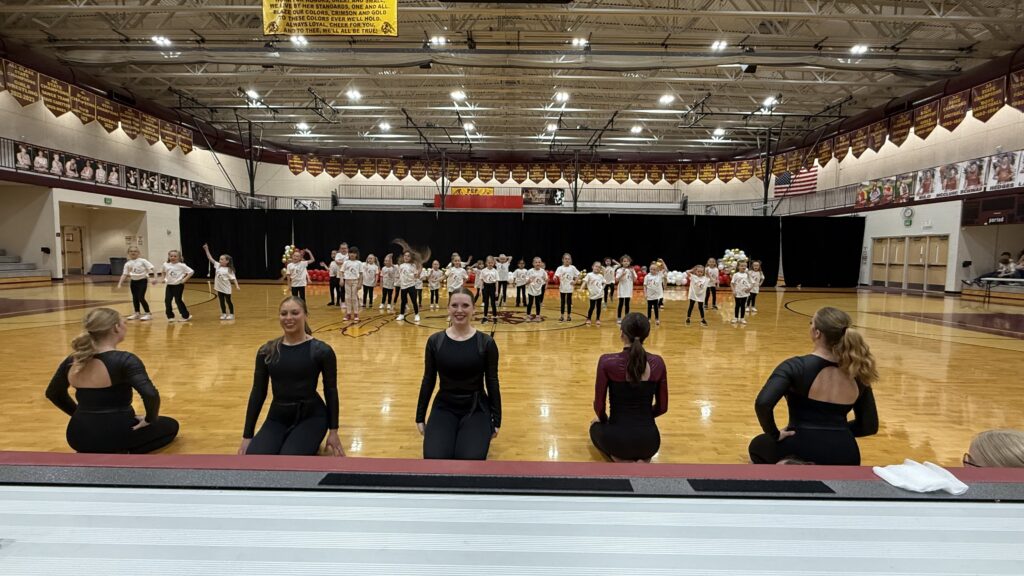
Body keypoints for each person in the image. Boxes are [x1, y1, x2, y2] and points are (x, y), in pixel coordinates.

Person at [748, 306, 879, 465]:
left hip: (800, 446)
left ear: (817, 333)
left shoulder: (795, 366)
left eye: (811, 322)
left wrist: (774, 434)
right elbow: (869, 426)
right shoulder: (858, 371)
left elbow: (763, 403)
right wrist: (836, 432)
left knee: (758, 445)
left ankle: (790, 466)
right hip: (846, 453)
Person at [45, 308, 179, 453]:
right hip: (117, 432)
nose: (126, 326)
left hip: (78, 436)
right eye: (124, 323)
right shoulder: (125, 360)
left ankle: (107, 451)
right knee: (171, 425)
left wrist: (79, 415)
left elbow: (53, 393)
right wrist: (149, 419)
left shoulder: (73, 359)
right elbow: (150, 394)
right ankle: (124, 452)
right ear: (116, 328)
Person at [240, 296, 344, 456]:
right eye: (284, 314)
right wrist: (247, 436)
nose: (288, 318)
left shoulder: (321, 351)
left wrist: (333, 431)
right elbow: (258, 392)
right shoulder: (267, 351)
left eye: (295, 313)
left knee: (289, 460)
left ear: (305, 315)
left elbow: (331, 391)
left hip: (312, 417)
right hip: (278, 417)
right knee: (256, 458)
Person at [416, 288, 501, 460]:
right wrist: (420, 416)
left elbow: (492, 381)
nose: (459, 310)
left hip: (476, 408)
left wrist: (497, 419)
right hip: (444, 406)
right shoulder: (435, 341)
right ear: (448, 308)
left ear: (473, 309)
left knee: (469, 461)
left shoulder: (486, 343)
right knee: (435, 459)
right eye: (454, 305)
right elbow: (428, 379)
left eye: (465, 305)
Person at [589, 313, 668, 462]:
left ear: (622, 334)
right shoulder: (658, 363)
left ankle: (621, 459)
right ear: (646, 335)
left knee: (594, 428)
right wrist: (642, 416)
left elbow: (599, 406)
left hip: (618, 441)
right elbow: (662, 407)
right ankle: (640, 459)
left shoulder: (607, 362)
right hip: (650, 443)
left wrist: (603, 420)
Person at [203, 243, 240, 320]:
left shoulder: (229, 270)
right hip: (219, 288)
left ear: (227, 261)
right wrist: (206, 249)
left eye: (222, 259)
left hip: (226, 288)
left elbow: (234, 278)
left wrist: (237, 286)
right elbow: (210, 258)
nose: (220, 260)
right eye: (220, 259)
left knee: (228, 301)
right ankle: (223, 313)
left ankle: (231, 314)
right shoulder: (217, 265)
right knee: (221, 301)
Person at [117, 247, 155, 321]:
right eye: (131, 251)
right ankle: (137, 313)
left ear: (138, 253)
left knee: (141, 297)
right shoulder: (128, 263)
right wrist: (120, 283)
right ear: (128, 253)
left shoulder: (143, 261)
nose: (133, 252)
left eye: (135, 251)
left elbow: (153, 268)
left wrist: (155, 278)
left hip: (142, 281)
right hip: (133, 282)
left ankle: (148, 313)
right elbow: (124, 274)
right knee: (135, 298)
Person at [157, 249, 193, 322]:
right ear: (169, 257)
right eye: (171, 256)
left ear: (179, 257)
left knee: (178, 300)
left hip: (178, 285)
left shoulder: (181, 265)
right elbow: (163, 272)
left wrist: (184, 280)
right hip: (169, 286)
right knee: (167, 301)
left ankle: (186, 316)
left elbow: (191, 272)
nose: (173, 257)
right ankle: (170, 316)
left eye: (175, 256)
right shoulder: (165, 264)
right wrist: (164, 279)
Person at [397, 250, 421, 323]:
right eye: (405, 255)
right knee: (403, 301)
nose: (406, 257)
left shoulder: (413, 265)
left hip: (411, 285)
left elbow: (416, 275)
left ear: (411, 258)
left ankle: (417, 314)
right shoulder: (401, 266)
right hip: (403, 286)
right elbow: (400, 275)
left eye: (408, 256)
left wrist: (417, 273)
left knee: (414, 301)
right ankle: (401, 314)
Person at [555, 253, 580, 322]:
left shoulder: (572, 268)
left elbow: (578, 274)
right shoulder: (560, 268)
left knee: (569, 302)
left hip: (569, 288)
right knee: (562, 302)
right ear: (563, 260)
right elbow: (556, 276)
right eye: (565, 259)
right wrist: (555, 278)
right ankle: (562, 316)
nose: (567, 260)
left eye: (568, 259)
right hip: (562, 288)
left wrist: (575, 282)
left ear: (570, 260)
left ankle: (569, 316)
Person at [342, 246, 363, 322]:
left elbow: (361, 274)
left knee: (354, 298)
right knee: (347, 297)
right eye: (350, 253)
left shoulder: (359, 263)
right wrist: (341, 279)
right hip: (347, 281)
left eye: (354, 253)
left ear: (356, 254)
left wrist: (360, 284)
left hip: (355, 281)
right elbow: (342, 272)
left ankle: (356, 313)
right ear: (348, 254)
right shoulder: (346, 262)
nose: (352, 254)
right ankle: (348, 313)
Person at [615, 254, 637, 323]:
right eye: (624, 261)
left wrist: (632, 272)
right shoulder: (619, 270)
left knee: (627, 304)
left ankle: (626, 317)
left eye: (627, 261)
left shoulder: (632, 270)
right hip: (622, 289)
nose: (626, 262)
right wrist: (622, 274)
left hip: (628, 289)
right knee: (621, 303)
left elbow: (635, 280)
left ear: (630, 262)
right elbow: (616, 280)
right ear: (621, 262)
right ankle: (619, 317)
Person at [525, 256, 548, 322]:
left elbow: (546, 279)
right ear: (533, 263)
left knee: (538, 303)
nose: (538, 263)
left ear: (541, 263)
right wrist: (529, 281)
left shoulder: (543, 271)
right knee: (530, 303)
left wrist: (545, 283)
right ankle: (528, 316)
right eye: (536, 262)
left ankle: (538, 316)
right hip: (531, 290)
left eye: (539, 262)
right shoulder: (530, 271)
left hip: (538, 290)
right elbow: (526, 282)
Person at [584, 261, 606, 326]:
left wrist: (602, 289)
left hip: (599, 295)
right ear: (592, 267)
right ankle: (589, 318)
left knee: (598, 307)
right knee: (592, 307)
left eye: (599, 267)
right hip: (592, 295)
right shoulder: (589, 275)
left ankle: (598, 319)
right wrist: (581, 288)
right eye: (596, 266)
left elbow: (605, 282)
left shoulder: (600, 276)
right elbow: (585, 281)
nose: (597, 268)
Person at [479, 256, 500, 322]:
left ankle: (495, 315)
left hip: (492, 287)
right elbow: (481, 281)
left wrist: (496, 291)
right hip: (486, 287)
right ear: (486, 263)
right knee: (486, 302)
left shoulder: (495, 271)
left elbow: (497, 282)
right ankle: (485, 315)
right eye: (489, 263)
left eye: (491, 263)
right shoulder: (483, 271)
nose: (490, 264)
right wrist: (480, 290)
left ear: (493, 263)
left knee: (493, 302)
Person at [644, 261, 664, 326]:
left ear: (657, 270)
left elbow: (664, 268)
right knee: (649, 307)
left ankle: (657, 319)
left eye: (654, 269)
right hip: (649, 295)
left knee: (656, 307)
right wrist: (645, 293)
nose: (652, 270)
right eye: (651, 269)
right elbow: (645, 286)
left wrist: (660, 262)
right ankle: (649, 319)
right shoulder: (647, 276)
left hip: (656, 296)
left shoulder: (659, 275)